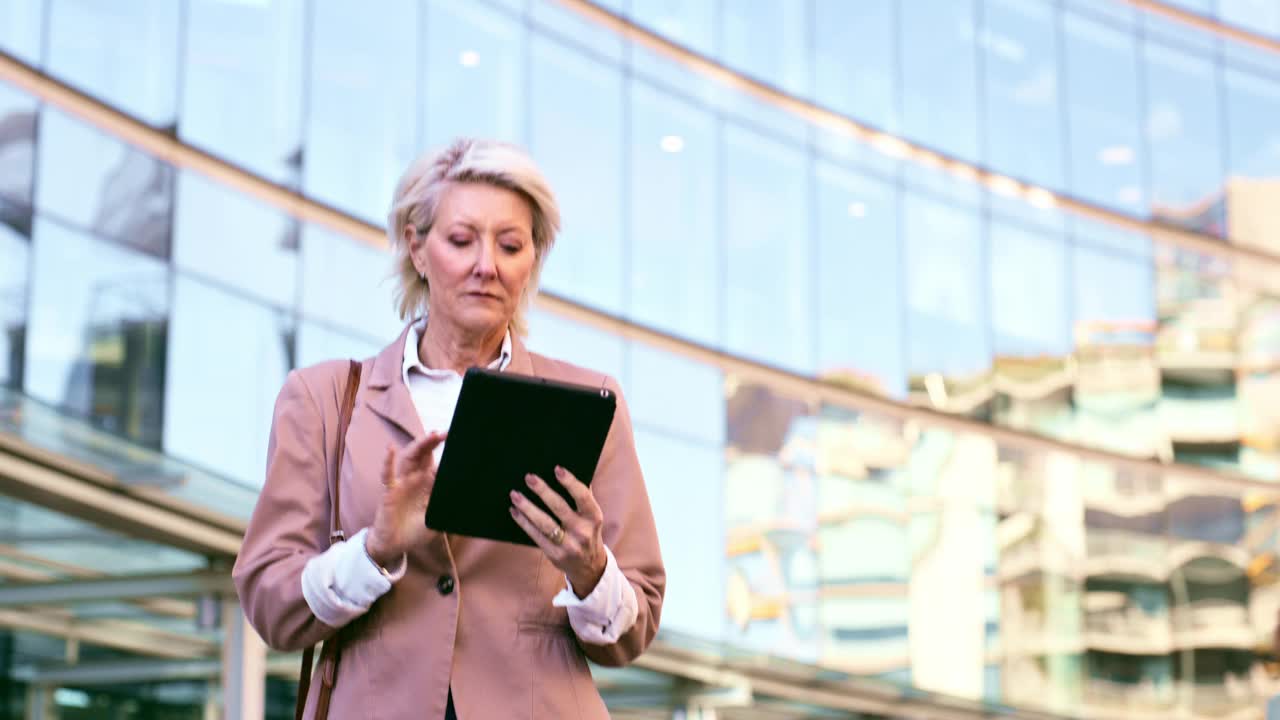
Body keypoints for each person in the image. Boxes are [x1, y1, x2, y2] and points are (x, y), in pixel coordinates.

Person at [233, 138, 665, 719]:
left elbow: (634, 629)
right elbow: (270, 602)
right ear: (416, 245)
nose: (486, 265)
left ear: (532, 258)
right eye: (461, 240)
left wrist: (589, 568)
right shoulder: (324, 400)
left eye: (511, 245)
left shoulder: (591, 404)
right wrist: (377, 549)